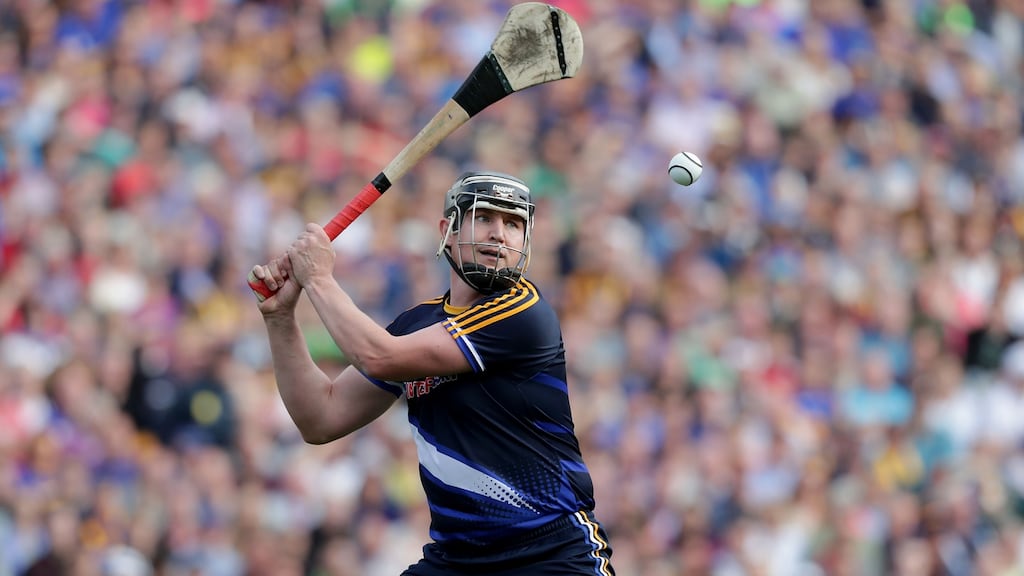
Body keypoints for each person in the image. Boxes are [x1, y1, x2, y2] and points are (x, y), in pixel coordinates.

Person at [249, 171, 616, 576]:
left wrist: (317, 277)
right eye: (484, 218)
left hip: (549, 554)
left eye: (513, 224)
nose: (499, 234)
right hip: (457, 560)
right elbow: (320, 417)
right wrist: (281, 318)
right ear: (448, 231)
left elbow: (379, 357)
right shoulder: (417, 325)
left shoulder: (523, 312)